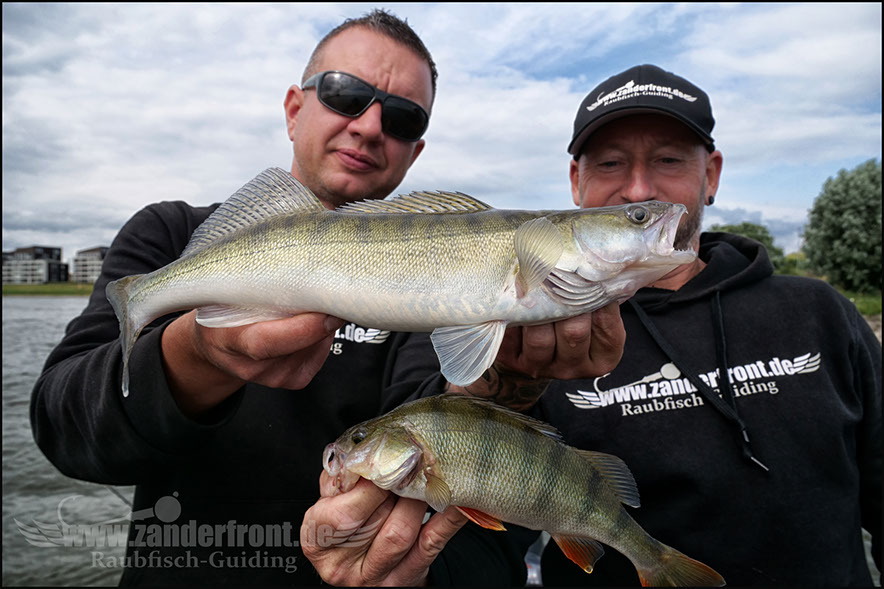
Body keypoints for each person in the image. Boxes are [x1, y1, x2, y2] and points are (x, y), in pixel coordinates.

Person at [30, 9, 625, 586]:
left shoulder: (433, 286)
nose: (368, 126)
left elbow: (446, 436)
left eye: (402, 118)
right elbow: (66, 434)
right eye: (344, 93)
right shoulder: (169, 235)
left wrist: (514, 380)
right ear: (294, 109)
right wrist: (192, 354)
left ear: (415, 151)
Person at [525, 64, 881, 585]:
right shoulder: (532, 334)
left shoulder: (819, 311)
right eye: (610, 163)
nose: (639, 188)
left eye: (668, 160)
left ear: (710, 175)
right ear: (577, 182)